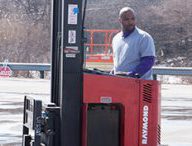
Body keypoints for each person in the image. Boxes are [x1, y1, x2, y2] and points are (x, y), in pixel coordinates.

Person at [111, 7, 156, 80]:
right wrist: (113, 73)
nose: (130, 22)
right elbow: (118, 63)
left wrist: (132, 74)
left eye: (132, 19)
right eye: (126, 19)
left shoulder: (144, 37)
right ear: (120, 20)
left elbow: (148, 61)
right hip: (120, 83)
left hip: (139, 85)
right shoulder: (116, 39)